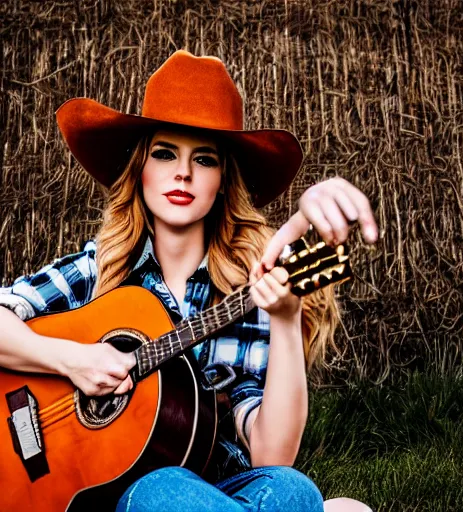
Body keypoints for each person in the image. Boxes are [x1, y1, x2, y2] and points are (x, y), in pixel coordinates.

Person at [0, 50, 375, 512]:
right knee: (163, 489)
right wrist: (73, 359)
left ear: (223, 180)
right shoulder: (101, 268)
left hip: (221, 486)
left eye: (205, 159)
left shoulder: (247, 285)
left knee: (293, 489)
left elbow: (272, 455)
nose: (183, 172)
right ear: (140, 171)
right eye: (164, 153)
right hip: (125, 493)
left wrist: (285, 316)